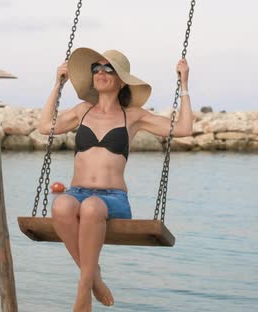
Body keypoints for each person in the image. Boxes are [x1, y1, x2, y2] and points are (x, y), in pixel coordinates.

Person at [37, 47, 193, 311]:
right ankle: (94, 277)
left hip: (113, 199)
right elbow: (45, 127)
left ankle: (83, 291)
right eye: (96, 68)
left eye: (108, 68)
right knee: (61, 205)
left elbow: (184, 129)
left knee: (92, 207)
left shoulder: (132, 116)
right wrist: (57, 85)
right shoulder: (82, 111)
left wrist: (185, 85)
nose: (100, 72)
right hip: (76, 193)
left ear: (121, 81)